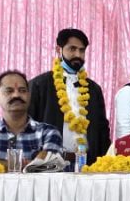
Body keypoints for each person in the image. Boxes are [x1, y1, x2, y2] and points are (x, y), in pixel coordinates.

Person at [28, 28, 110, 166]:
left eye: (82, 50)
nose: (78, 54)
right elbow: (28, 126)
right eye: (72, 49)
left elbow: (102, 131)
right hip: (49, 164)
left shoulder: (94, 89)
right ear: (58, 50)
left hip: (87, 165)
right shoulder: (39, 85)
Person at [0, 70, 63, 166]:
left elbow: (51, 167)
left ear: (29, 96)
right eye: (9, 91)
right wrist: (26, 164)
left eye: (22, 90)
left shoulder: (48, 133)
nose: (16, 95)